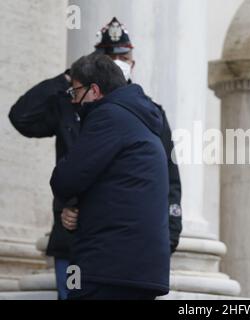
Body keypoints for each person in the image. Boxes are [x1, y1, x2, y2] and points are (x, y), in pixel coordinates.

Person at [8, 17, 182, 300]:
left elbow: (169, 178)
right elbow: (22, 117)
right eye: (109, 58)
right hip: (74, 238)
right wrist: (72, 77)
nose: (118, 62)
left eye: (123, 57)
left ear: (132, 63)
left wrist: (170, 236)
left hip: (105, 249)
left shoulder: (148, 113)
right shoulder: (74, 101)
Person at [51, 53, 170, 300]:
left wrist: (70, 202)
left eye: (75, 92)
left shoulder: (108, 116)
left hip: (107, 266)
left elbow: (66, 178)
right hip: (141, 270)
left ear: (94, 90)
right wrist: (76, 206)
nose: (73, 101)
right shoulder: (141, 117)